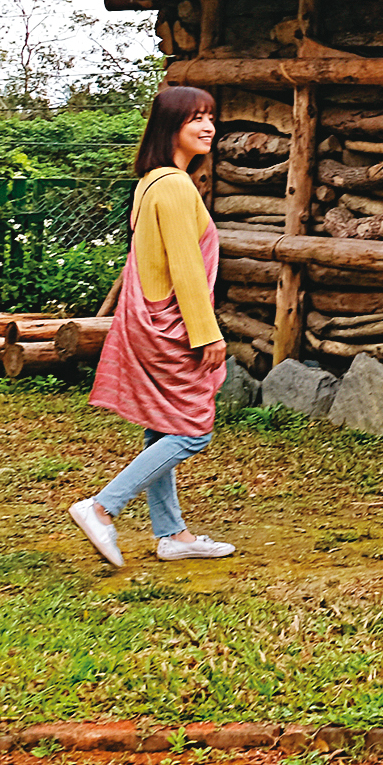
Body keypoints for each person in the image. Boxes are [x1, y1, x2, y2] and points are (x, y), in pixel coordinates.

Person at [69, 84, 239, 566]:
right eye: (195, 120)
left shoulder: (151, 182)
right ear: (171, 128)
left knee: (162, 424)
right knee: (192, 430)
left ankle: (172, 535)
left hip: (147, 319)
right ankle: (103, 508)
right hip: (173, 326)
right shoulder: (174, 186)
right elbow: (185, 267)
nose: (208, 127)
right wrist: (207, 333)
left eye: (211, 117)